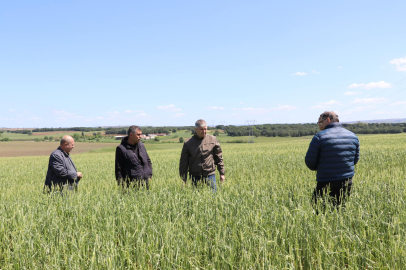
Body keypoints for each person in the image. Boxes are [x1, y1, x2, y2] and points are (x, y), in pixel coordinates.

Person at [305, 111, 360, 209]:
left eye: (320, 122)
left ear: (328, 120)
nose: (319, 125)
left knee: (318, 212)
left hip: (326, 181)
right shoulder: (353, 136)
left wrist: (322, 168)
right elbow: (354, 161)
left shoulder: (319, 137)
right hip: (347, 181)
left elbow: (310, 163)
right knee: (341, 211)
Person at [179, 119, 225, 191]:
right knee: (196, 199)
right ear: (196, 129)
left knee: (213, 198)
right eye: (201, 129)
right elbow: (183, 162)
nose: (204, 131)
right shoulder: (188, 143)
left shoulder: (213, 139)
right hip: (195, 176)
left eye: (205, 129)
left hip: (210, 175)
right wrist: (183, 178)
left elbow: (219, 157)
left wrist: (222, 173)